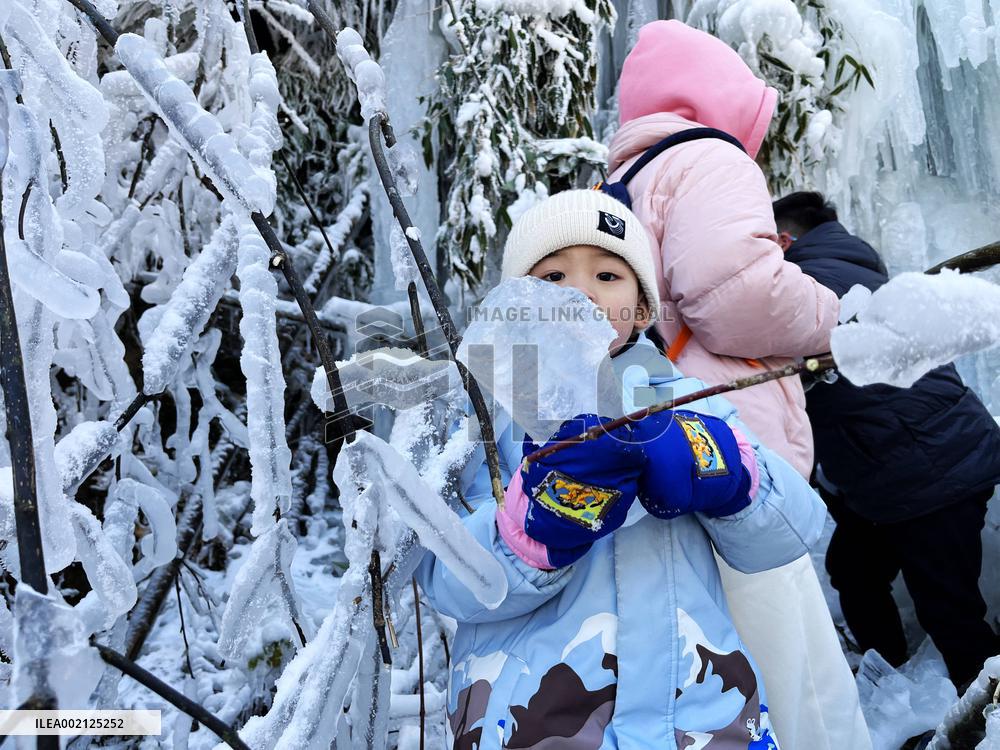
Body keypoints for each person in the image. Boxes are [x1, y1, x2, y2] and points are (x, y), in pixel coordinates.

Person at [417, 189, 827, 749]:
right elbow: (439, 577)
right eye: (553, 277)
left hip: (702, 715)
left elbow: (796, 530)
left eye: (608, 275)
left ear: (640, 309)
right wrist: (532, 532)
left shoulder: (688, 401)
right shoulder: (483, 416)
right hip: (532, 720)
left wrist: (726, 471)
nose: (581, 292)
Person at [605, 19, 870, 748]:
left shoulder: (625, 182)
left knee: (729, 678)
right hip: (733, 458)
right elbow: (738, 295)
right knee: (801, 686)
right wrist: (839, 320)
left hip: (675, 457)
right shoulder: (707, 158)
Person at [774, 190, 1000, 688]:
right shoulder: (849, 266)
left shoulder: (813, 282)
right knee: (855, 571)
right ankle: (891, 687)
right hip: (901, 465)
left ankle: (984, 714)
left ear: (785, 239)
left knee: (950, 610)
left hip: (931, 470)